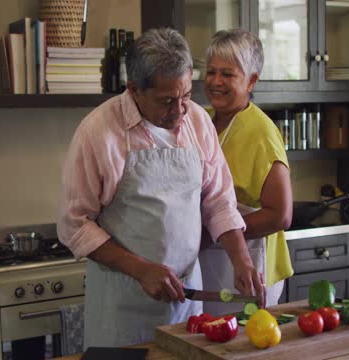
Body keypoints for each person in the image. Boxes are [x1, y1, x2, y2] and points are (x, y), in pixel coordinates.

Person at [57, 28, 265, 348]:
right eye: (167, 101)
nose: (180, 110)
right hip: (122, 308)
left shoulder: (196, 121)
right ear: (134, 89)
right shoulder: (98, 132)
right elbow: (74, 225)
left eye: (185, 96)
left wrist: (242, 260)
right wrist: (140, 269)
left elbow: (218, 200)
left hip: (188, 305)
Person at [199, 29, 294, 315]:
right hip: (206, 259)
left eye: (228, 74)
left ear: (251, 80)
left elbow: (281, 214)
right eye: (211, 72)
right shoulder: (200, 119)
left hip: (250, 262)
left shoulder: (261, 132)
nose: (216, 82)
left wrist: (218, 232)